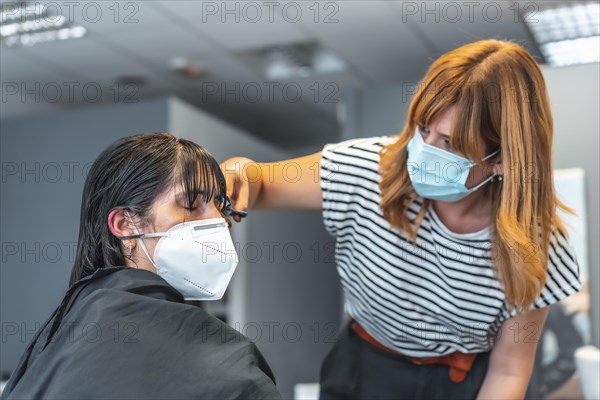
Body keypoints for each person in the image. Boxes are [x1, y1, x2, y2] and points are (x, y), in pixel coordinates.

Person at [220, 39, 582, 399]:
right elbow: (260, 181)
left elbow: (509, 370)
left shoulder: (540, 248)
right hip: (365, 367)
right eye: (424, 129)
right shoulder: (366, 170)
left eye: (450, 143)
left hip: (463, 382)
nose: (424, 151)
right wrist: (238, 172)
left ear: (501, 158)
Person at [1, 134, 282, 400]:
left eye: (220, 205)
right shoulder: (227, 359)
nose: (220, 221)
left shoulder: (64, 333)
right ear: (124, 224)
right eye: (192, 204)